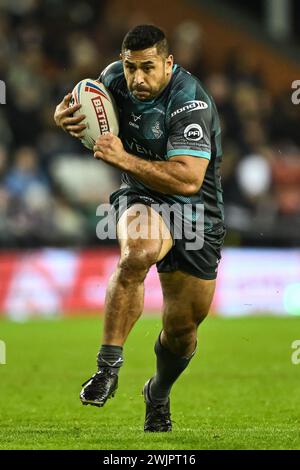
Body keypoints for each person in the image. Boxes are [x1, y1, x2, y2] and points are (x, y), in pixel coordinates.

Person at [54, 24, 225, 432]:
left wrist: (122, 158)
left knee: (182, 330)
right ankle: (107, 367)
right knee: (137, 253)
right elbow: (81, 107)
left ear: (168, 63)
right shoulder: (112, 79)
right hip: (142, 197)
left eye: (148, 68)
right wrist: (61, 117)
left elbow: (187, 180)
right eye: (131, 68)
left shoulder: (190, 102)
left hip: (196, 210)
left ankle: (158, 392)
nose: (137, 79)